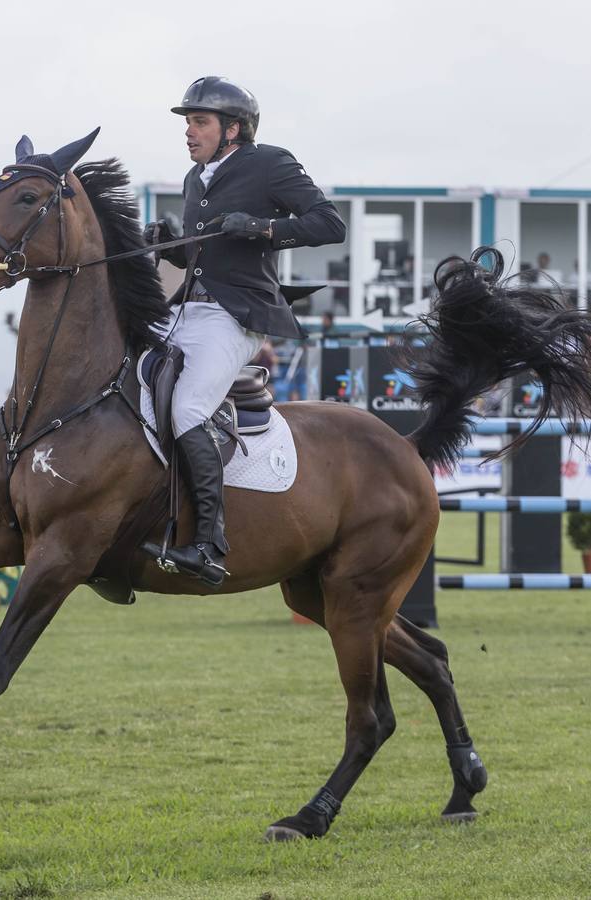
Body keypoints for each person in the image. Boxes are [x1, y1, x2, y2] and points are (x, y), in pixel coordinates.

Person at [143, 75, 346, 585]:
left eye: (199, 122)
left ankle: (209, 544)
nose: (189, 132)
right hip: (187, 309)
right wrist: (169, 246)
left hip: (236, 317)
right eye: (188, 122)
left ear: (233, 129)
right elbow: (200, 257)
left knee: (188, 407)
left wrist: (264, 228)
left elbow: (329, 223)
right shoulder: (196, 179)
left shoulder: (271, 163)